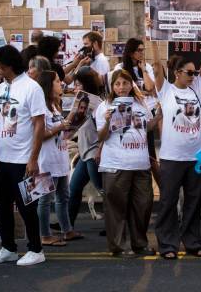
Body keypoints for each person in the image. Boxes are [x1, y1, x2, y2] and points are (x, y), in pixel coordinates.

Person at [150, 39, 201, 259]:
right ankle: (168, 245)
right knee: (168, 201)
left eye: (194, 73)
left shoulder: (196, 86)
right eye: (189, 73)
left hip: (195, 157)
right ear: (177, 73)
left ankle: (192, 242)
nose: (194, 75)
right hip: (171, 157)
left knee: (194, 202)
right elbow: (157, 65)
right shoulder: (165, 90)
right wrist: (152, 37)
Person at [0, 45, 47, 266]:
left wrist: (33, 158)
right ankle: (8, 247)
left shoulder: (32, 88)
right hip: (2, 159)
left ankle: (36, 249)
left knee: (27, 207)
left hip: (23, 160)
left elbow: (40, 124)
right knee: (2, 206)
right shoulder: (0, 89)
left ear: (8, 64)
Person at [96, 70, 160, 256]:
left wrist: (158, 118)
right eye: (117, 84)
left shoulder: (140, 104)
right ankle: (119, 246)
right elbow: (101, 136)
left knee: (143, 205)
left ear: (131, 84)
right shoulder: (105, 106)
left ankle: (139, 243)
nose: (121, 87)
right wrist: (107, 122)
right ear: (112, 86)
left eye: (125, 83)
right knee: (116, 207)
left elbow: (146, 128)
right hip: (116, 164)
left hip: (140, 164)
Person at [110, 38, 159, 184]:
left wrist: (143, 69)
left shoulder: (146, 67)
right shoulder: (120, 67)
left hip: (146, 111)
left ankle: (159, 186)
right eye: (139, 50)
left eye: (143, 50)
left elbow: (151, 88)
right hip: (127, 111)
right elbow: (120, 89)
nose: (142, 53)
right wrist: (143, 91)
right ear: (131, 52)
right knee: (129, 146)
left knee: (150, 152)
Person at [36, 71, 74, 247]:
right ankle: (44, 235)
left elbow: (61, 131)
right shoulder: (41, 108)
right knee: (45, 199)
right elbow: (40, 134)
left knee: (63, 196)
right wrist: (59, 127)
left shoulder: (54, 106)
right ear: (48, 85)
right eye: (57, 81)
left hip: (60, 158)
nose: (61, 84)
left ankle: (67, 230)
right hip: (46, 161)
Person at [68, 67, 103, 233]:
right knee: (74, 189)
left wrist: (100, 150)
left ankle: (116, 225)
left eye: (77, 84)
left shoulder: (97, 104)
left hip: (94, 152)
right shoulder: (82, 102)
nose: (75, 88)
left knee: (103, 190)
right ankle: (67, 226)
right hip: (84, 152)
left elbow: (104, 130)